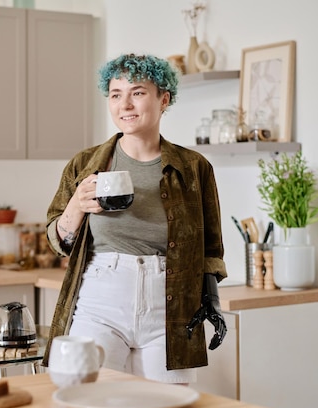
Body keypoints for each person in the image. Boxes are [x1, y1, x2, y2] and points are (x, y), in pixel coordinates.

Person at [41, 53, 227, 384]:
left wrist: (211, 301)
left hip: (170, 307)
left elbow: (211, 249)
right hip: (101, 301)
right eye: (116, 94)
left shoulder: (194, 168)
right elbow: (58, 240)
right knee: (85, 394)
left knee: (169, 405)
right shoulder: (85, 163)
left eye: (138, 92)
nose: (125, 104)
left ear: (164, 99)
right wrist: (77, 206)